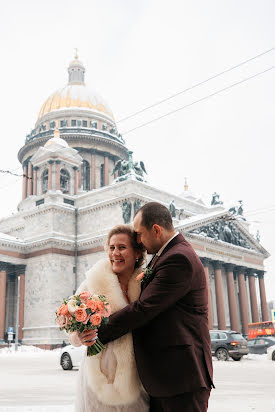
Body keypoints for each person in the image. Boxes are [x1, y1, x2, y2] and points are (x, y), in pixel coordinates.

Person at [87, 201, 214, 412]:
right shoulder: (166, 256)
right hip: (167, 378)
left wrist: (100, 329)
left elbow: (144, 308)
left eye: (139, 234)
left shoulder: (178, 259)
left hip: (181, 378)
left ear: (156, 230)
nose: (137, 240)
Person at [69, 224, 149, 411]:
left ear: (137, 253)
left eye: (122, 247)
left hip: (137, 380)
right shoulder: (92, 283)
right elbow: (72, 331)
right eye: (111, 248)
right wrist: (78, 337)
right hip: (99, 380)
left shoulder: (146, 285)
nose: (115, 253)